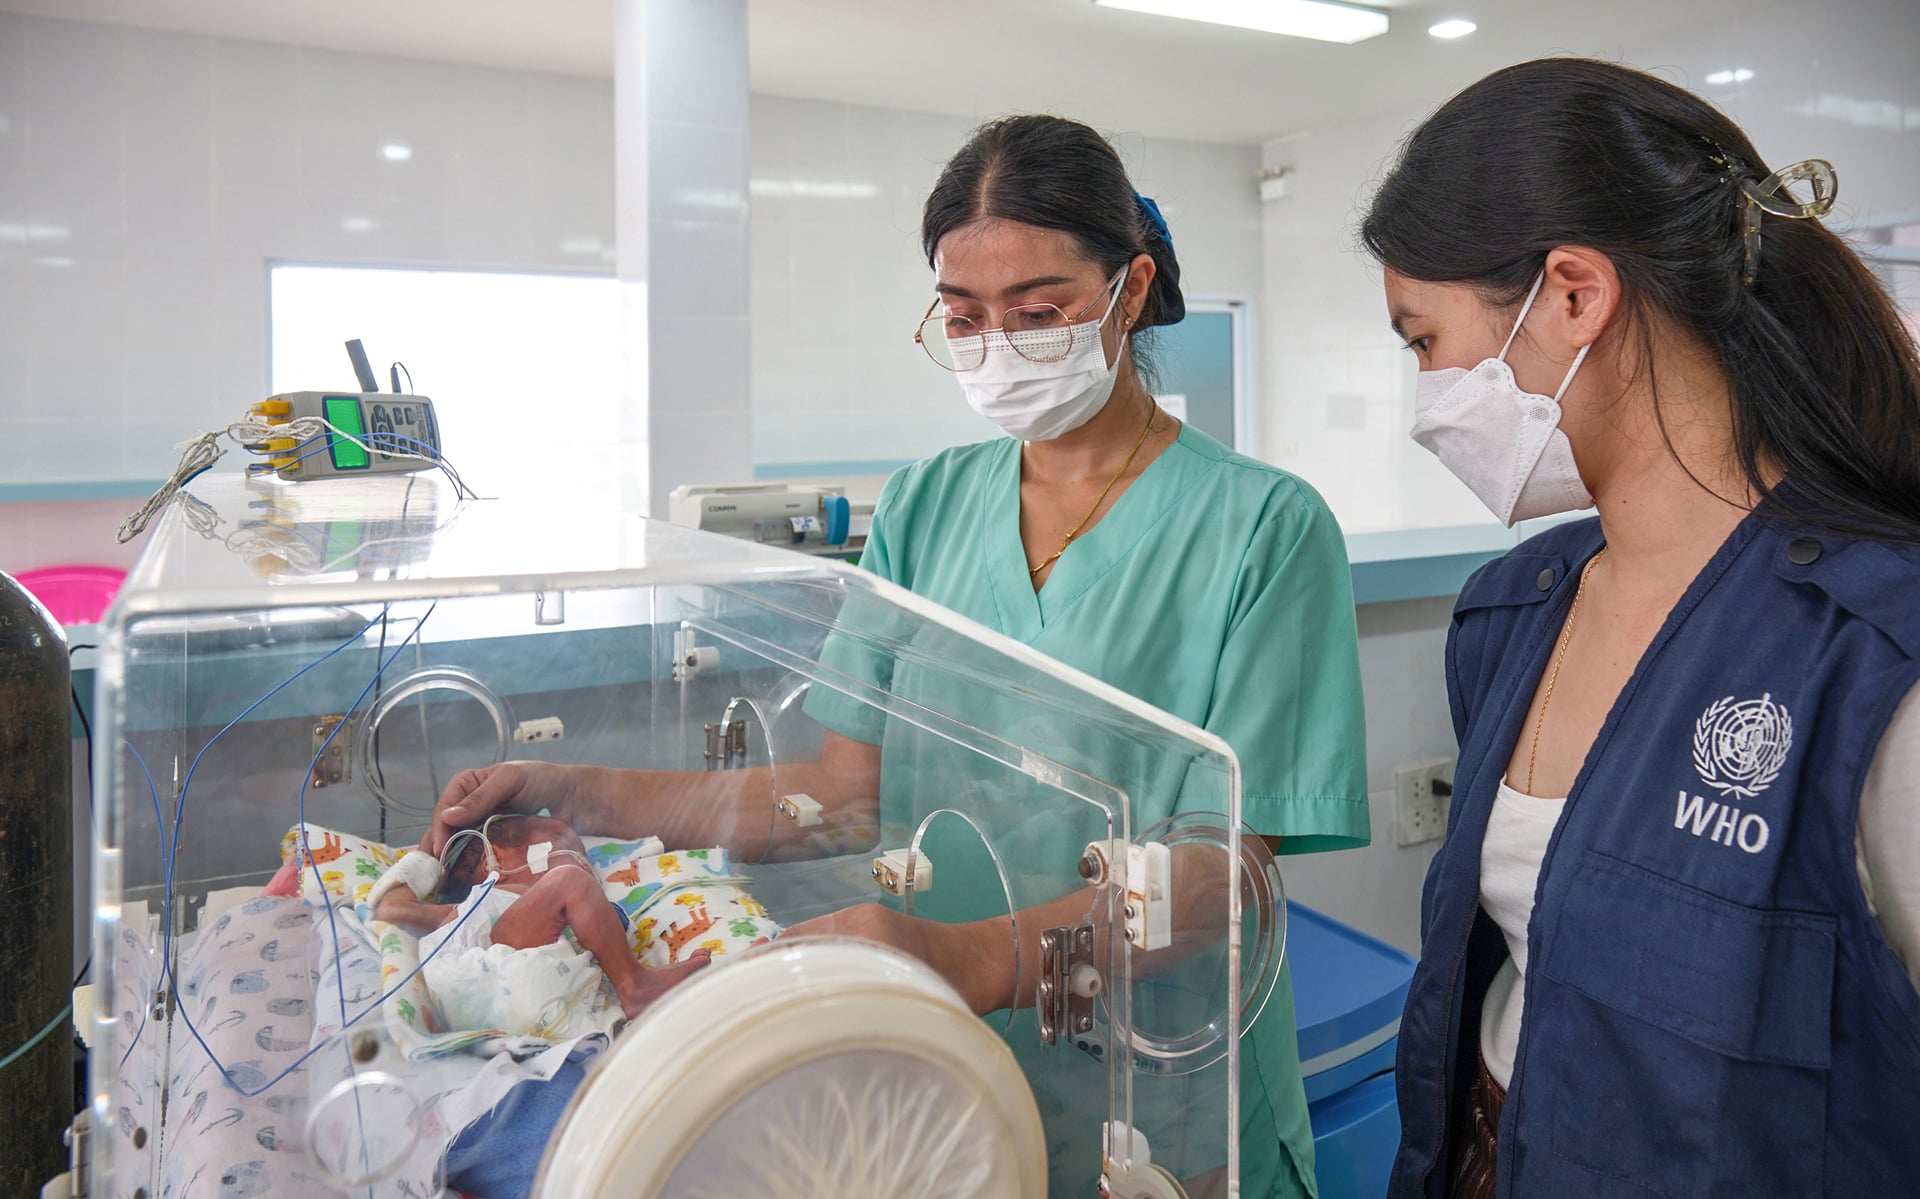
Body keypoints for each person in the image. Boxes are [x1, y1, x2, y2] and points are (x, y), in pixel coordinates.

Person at [432, 115, 1369, 1198]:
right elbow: (836, 796)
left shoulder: (1263, 525)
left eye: (1040, 313)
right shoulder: (928, 502)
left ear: (1130, 286)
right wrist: (574, 789)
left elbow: (1220, 878)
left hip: (1162, 1087)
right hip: (940, 1072)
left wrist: (967, 955)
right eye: (965, 318)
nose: (999, 346)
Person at [1361, 57, 1920, 1198]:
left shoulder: (1871, 650)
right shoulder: (1513, 610)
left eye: (1424, 341)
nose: (1424, 392)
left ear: (1573, 295)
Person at [373, 813, 711, 1029]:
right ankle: (635, 987)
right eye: (546, 846)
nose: (572, 855)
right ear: (494, 856)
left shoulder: (532, 908)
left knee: (571, 883)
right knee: (568, 883)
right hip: (479, 978)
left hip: (524, 999)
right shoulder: (475, 910)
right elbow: (389, 909)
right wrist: (425, 856)